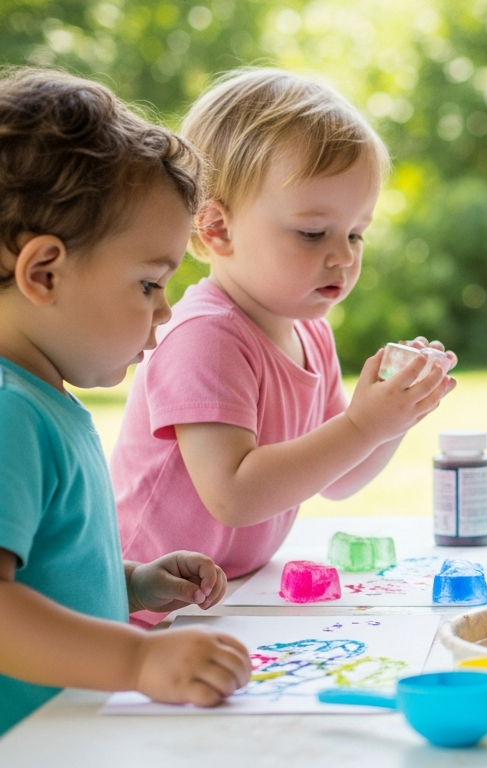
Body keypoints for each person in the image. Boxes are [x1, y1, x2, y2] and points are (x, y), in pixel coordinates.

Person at [112, 70, 455, 625]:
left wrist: (394, 416)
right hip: (143, 612)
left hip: (225, 601)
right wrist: (365, 425)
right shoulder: (204, 337)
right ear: (218, 229)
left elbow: (338, 476)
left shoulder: (309, 329)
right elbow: (234, 494)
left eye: (356, 233)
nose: (343, 256)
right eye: (313, 233)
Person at [0, 68, 250, 734]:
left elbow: (38, 570)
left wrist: (128, 581)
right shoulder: (8, 413)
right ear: (44, 272)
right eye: (148, 284)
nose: (165, 311)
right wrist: (139, 660)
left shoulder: (38, 398)